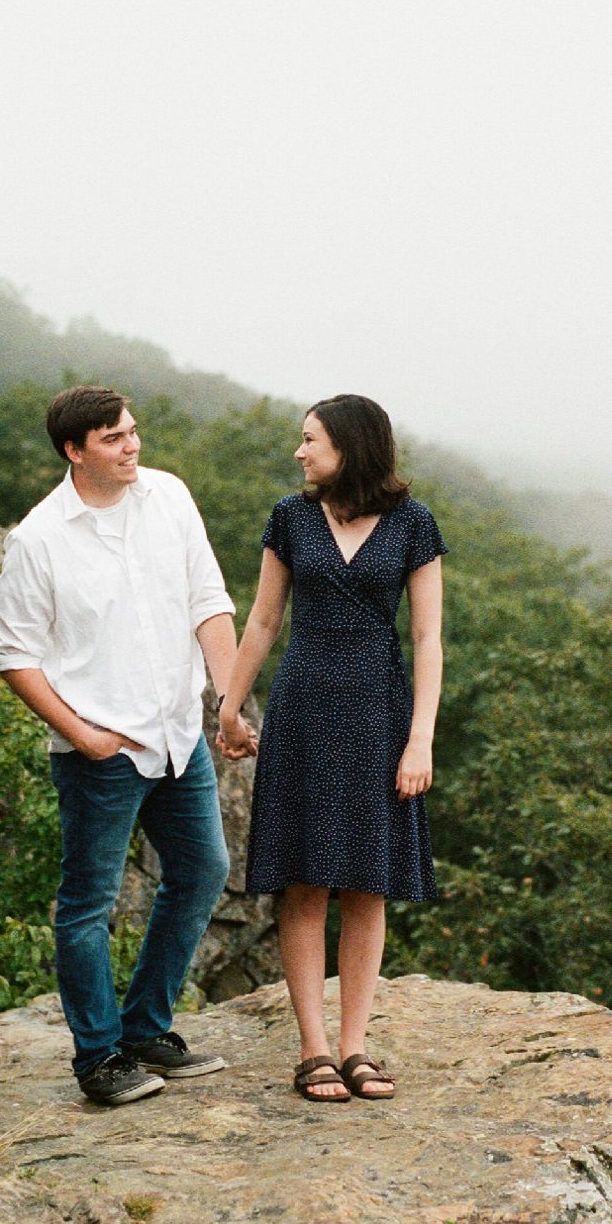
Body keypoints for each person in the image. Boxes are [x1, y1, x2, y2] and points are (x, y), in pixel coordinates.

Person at [0, 385, 257, 1106]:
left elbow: (210, 601)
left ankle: (145, 1028)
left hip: (178, 733)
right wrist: (82, 735)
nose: (132, 445)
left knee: (204, 869)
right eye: (113, 438)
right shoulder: (39, 539)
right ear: (75, 451)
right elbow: (15, 654)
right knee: (87, 906)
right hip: (99, 752)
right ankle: (98, 1058)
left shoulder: (168, 496)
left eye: (133, 431)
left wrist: (226, 704)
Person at [213, 393, 446, 1102]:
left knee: (367, 881)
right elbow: (262, 618)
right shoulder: (290, 515)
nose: (299, 450)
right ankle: (312, 1049)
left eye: (309, 438)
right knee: (306, 877)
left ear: (348, 444)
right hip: (304, 706)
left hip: (380, 710)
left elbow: (429, 638)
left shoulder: (414, 523)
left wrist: (421, 740)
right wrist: (228, 705)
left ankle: (355, 1046)